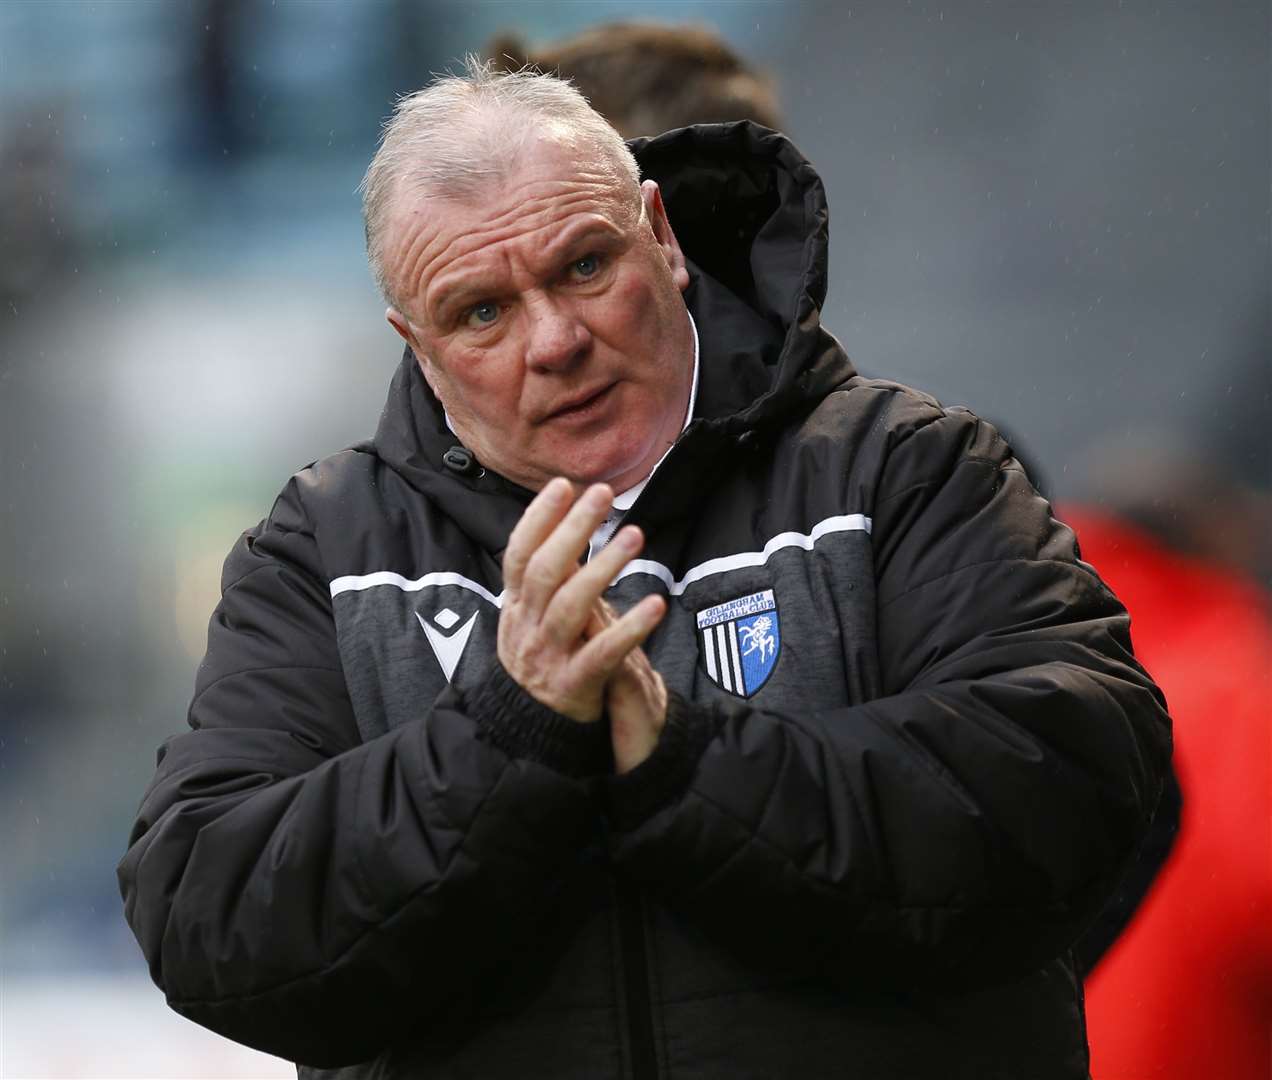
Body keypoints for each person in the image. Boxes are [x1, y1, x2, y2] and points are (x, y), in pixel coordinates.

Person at [118, 62, 1171, 1079]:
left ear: (660, 238)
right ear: (417, 343)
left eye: (584, 265)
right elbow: (210, 916)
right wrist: (506, 739)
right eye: (480, 312)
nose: (555, 340)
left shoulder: (904, 467)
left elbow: (1075, 783)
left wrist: (684, 762)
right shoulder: (324, 551)